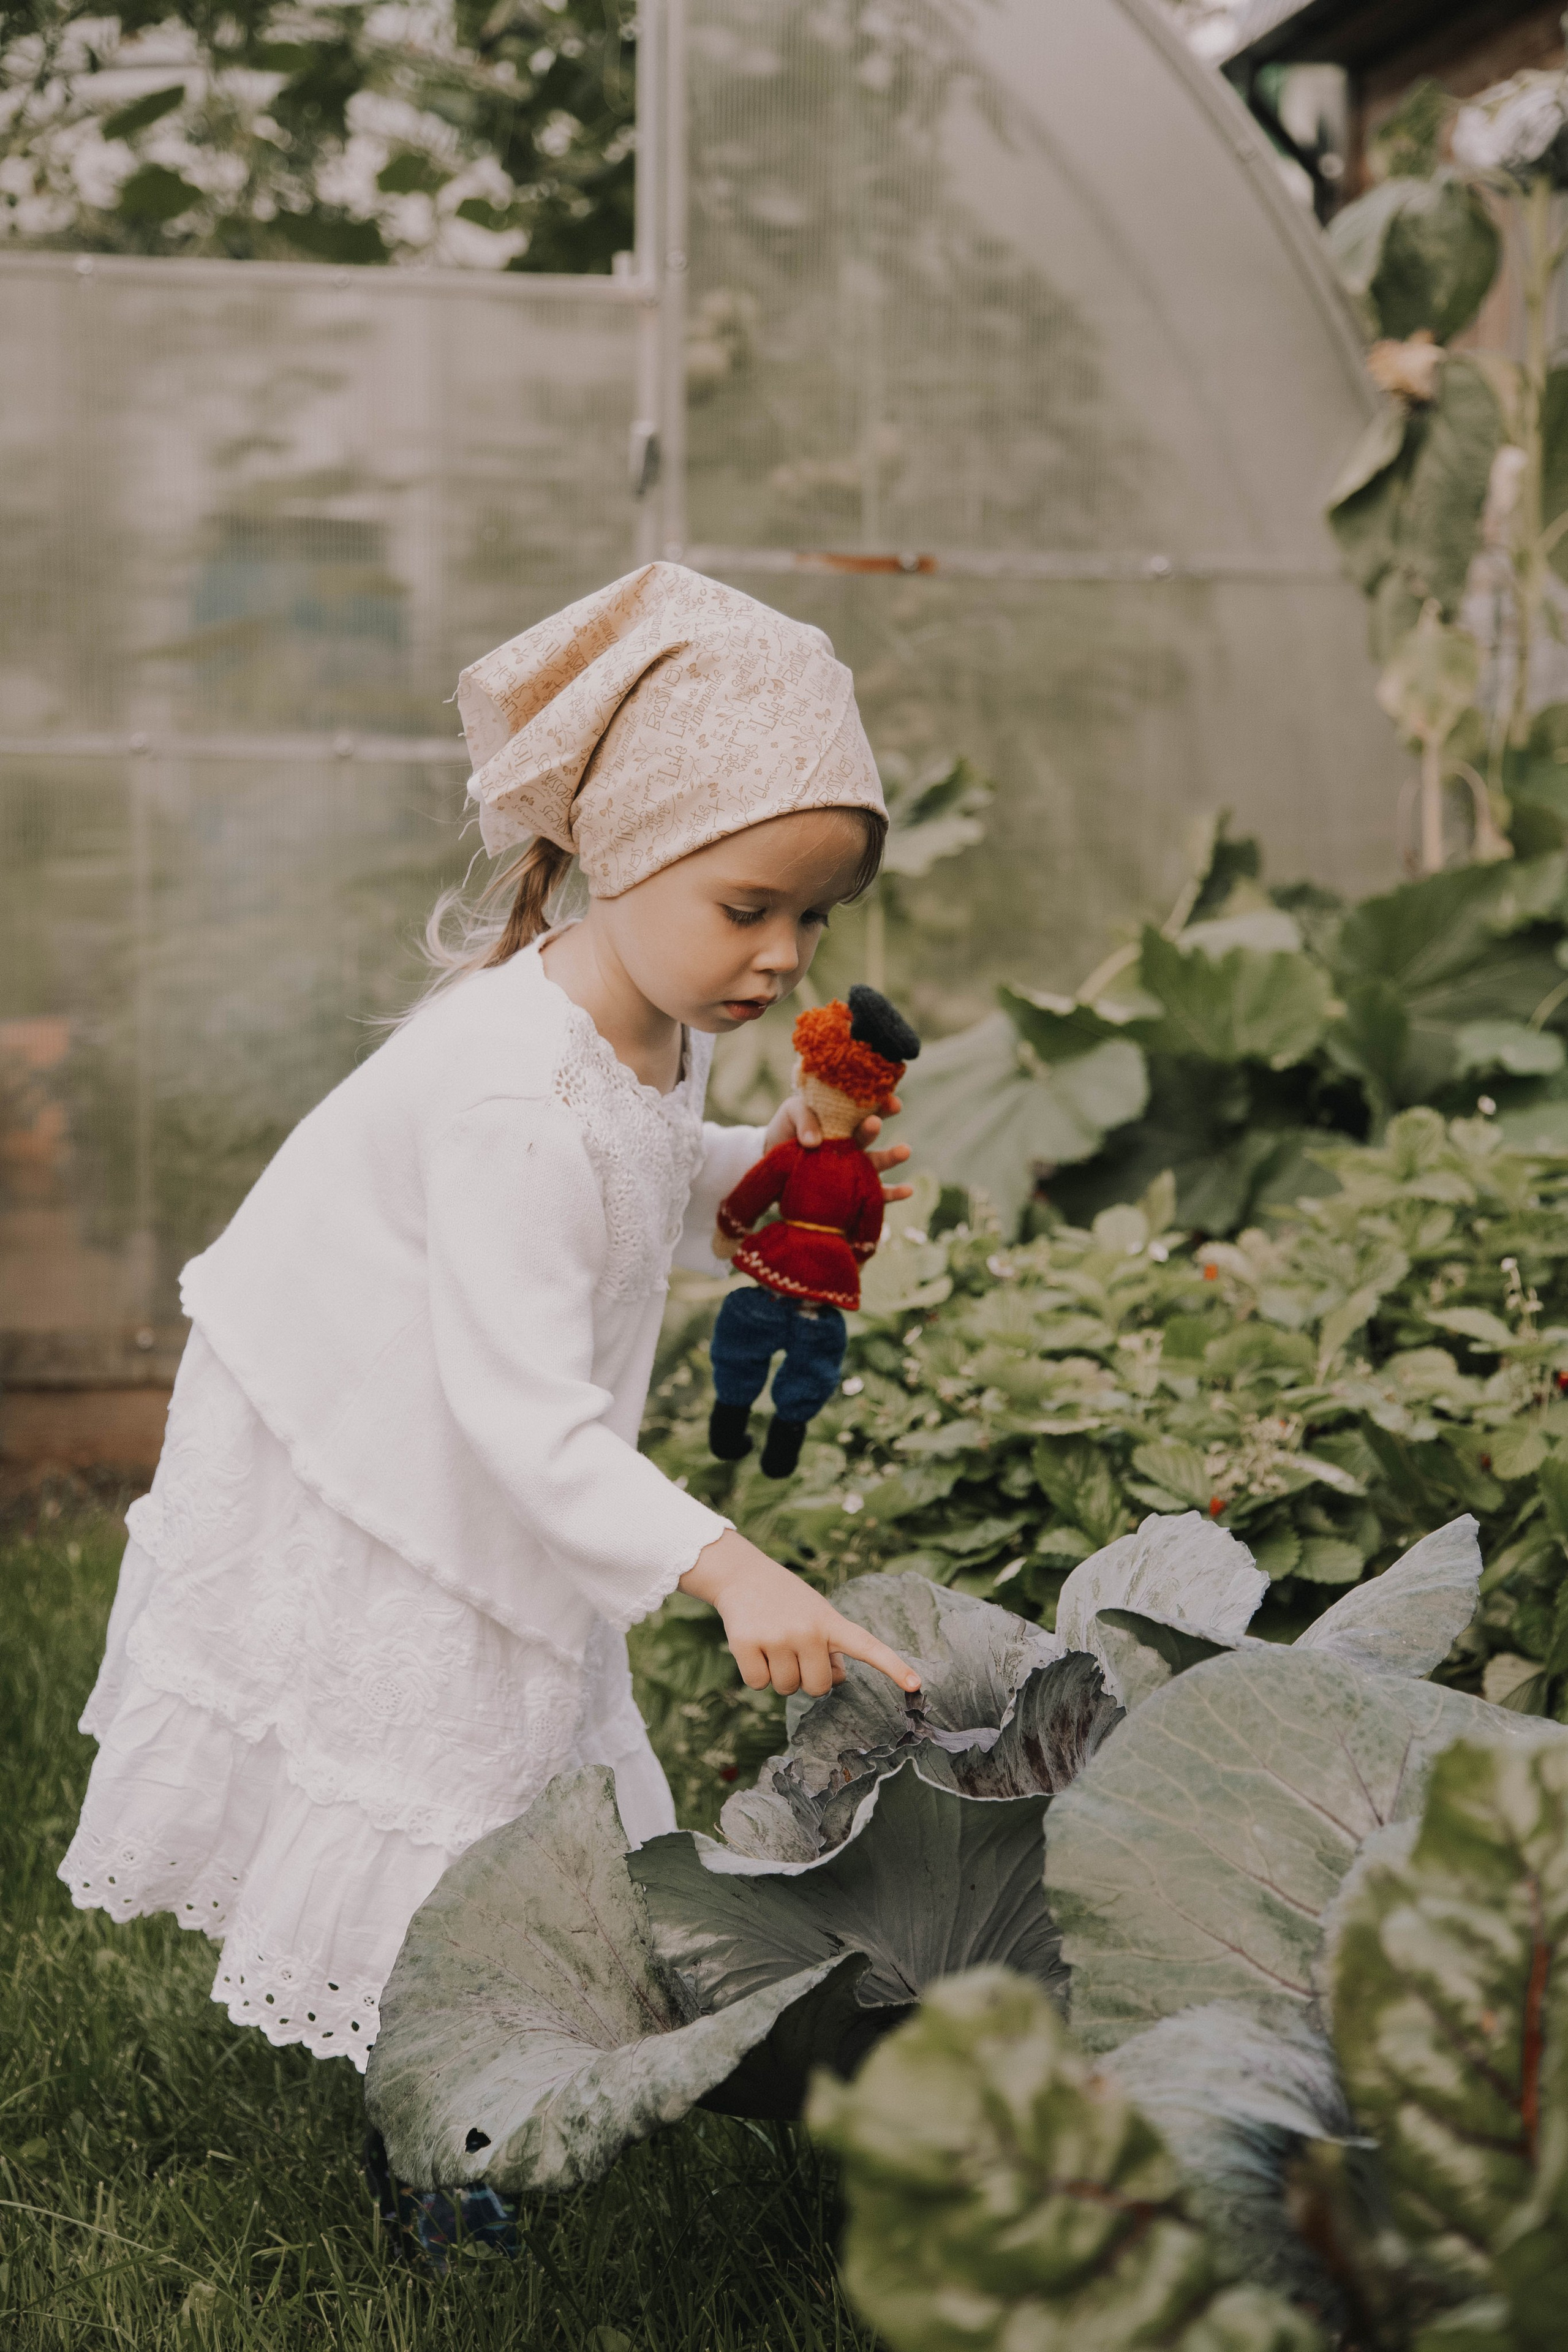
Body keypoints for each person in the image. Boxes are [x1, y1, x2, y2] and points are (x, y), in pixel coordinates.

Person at [58, 562, 921, 2170]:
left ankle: (487, 2054)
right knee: (444, 1752)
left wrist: (773, 1166)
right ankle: (443, 2127)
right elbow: (527, 1417)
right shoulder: (511, 1099)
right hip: (392, 1433)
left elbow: (639, 1172)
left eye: (813, 917)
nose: (786, 959)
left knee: (520, 1728)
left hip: (479, 1412)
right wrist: (735, 1571)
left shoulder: (654, 1017)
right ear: (620, 854)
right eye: (750, 909)